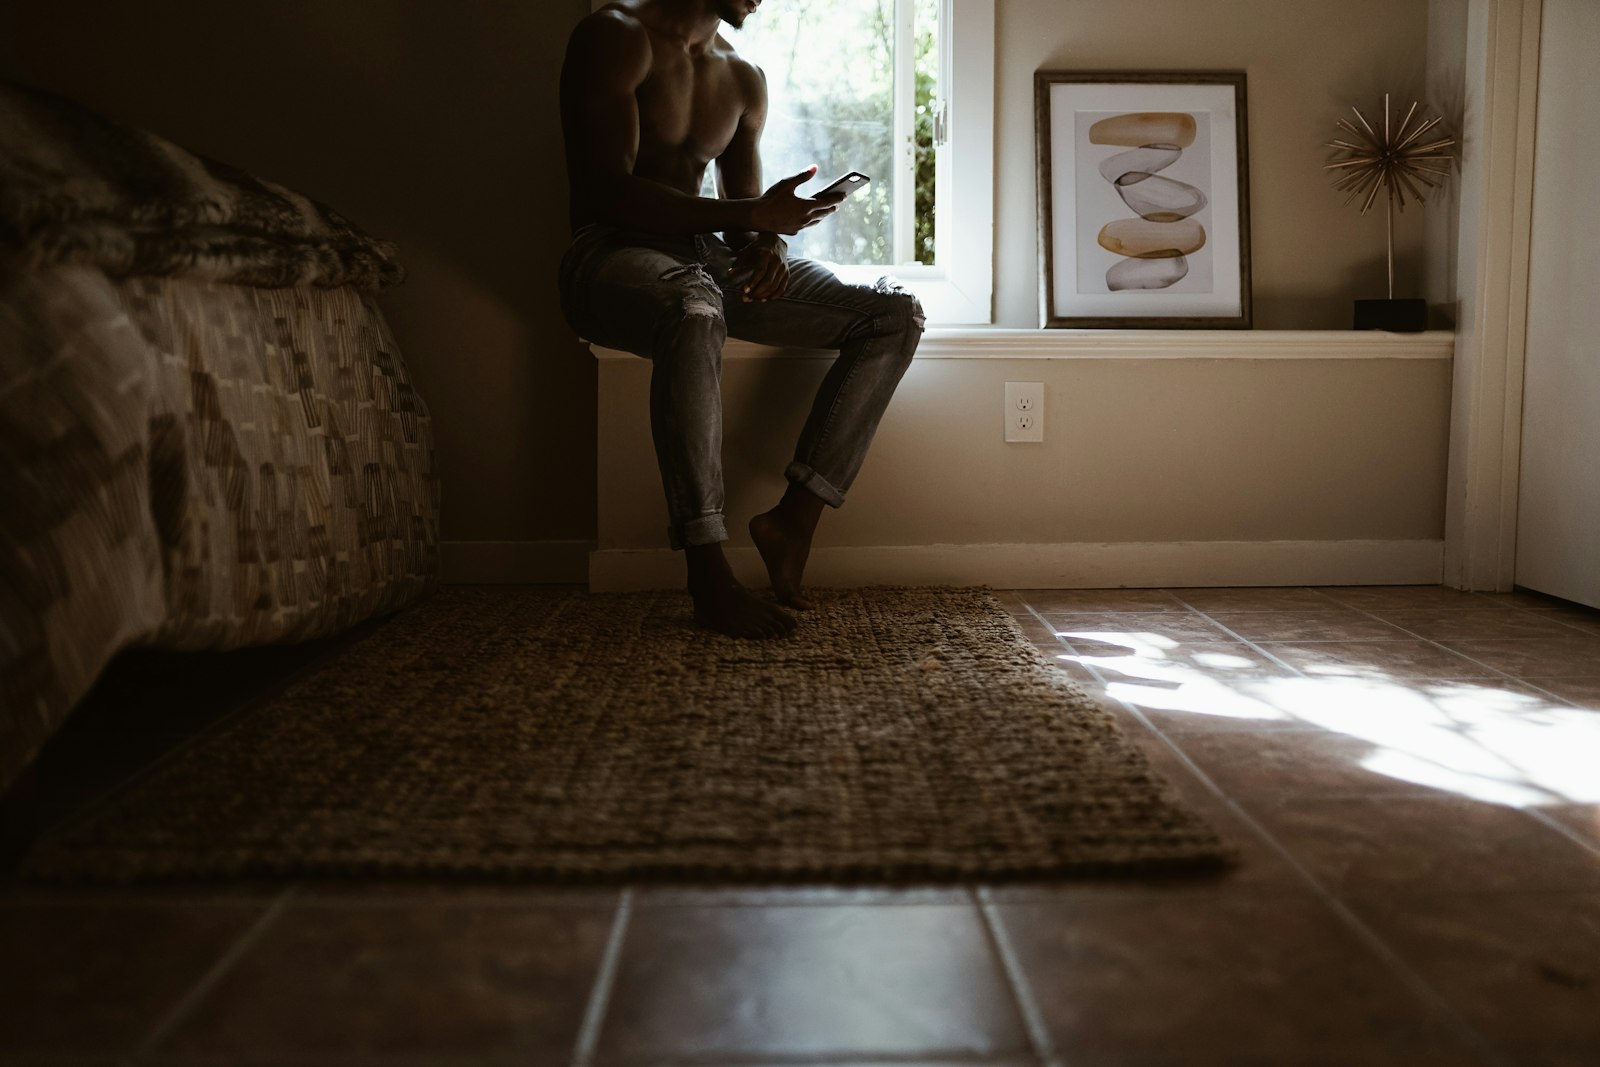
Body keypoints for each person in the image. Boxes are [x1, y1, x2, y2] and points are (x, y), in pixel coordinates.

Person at [558, 0, 925, 639]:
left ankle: (793, 522)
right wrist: (753, 218)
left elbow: (742, 210)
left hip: (705, 260)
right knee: (694, 307)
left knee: (894, 315)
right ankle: (707, 571)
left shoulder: (743, 76)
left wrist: (771, 243)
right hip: (608, 256)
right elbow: (604, 192)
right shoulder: (614, 35)